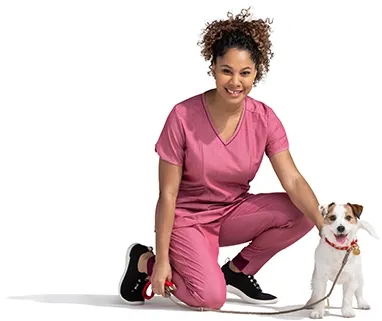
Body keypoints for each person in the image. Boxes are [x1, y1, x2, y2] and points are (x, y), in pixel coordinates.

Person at [118, 8, 323, 310]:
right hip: (187, 220)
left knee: (305, 213)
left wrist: (325, 228)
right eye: (226, 70)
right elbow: (168, 194)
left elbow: (292, 180)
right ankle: (142, 261)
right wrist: (161, 261)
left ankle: (238, 271)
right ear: (213, 67)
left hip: (232, 213)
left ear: (257, 72)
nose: (235, 82)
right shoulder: (183, 116)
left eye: (245, 73)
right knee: (209, 298)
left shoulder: (264, 118)